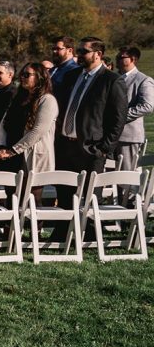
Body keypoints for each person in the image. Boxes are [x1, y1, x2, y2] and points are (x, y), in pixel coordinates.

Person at [53, 37, 128, 216]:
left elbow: (118, 119)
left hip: (90, 148)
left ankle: (88, 235)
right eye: (78, 51)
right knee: (64, 194)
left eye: (84, 51)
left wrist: (103, 148)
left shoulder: (111, 80)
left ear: (98, 54)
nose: (79, 55)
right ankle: (63, 233)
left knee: (88, 198)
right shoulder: (72, 76)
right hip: (65, 145)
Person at [0, 63, 58, 177]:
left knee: (30, 194)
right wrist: (2, 146)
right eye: (22, 75)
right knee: (11, 194)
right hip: (10, 157)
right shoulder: (18, 99)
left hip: (32, 157)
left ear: (40, 77)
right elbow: (4, 122)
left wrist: (13, 151)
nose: (23, 78)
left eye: (27, 75)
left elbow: (38, 131)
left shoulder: (47, 100)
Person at [114, 47, 154, 174]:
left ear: (132, 59)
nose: (117, 60)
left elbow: (147, 106)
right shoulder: (114, 78)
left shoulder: (143, 80)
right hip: (110, 136)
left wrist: (121, 116)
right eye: (117, 57)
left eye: (121, 57)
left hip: (128, 137)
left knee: (127, 177)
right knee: (109, 177)